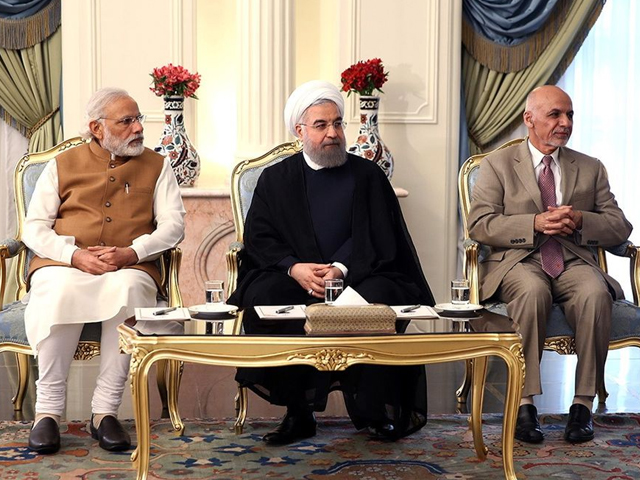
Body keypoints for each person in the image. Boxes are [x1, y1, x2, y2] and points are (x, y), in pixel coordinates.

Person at [227, 80, 435, 445]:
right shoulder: (276, 179)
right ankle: (298, 412)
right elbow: (259, 237)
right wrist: (295, 267)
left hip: (359, 272)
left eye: (337, 123)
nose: (332, 133)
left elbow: (380, 236)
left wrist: (340, 268)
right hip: (296, 276)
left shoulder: (367, 175)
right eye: (321, 125)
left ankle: (374, 411)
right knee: (266, 294)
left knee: (382, 295)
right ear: (300, 131)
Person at [22, 87, 186, 454]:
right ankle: (47, 413)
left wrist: (132, 252)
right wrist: (72, 256)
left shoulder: (158, 166)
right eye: (126, 121)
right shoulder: (62, 164)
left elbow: (174, 226)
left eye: (138, 118)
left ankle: (105, 413)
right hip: (65, 262)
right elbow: (33, 228)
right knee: (60, 291)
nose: (137, 128)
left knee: (129, 290)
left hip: (128, 264)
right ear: (97, 127)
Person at [467, 85, 632, 444]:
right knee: (531, 290)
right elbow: (479, 224)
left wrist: (581, 219)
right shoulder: (496, 165)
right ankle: (524, 404)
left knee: (593, 292)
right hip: (519, 261)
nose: (565, 122)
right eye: (555, 114)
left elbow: (620, 226)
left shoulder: (590, 167)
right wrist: (534, 224)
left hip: (573, 259)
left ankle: (582, 404)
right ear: (529, 119)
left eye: (569, 114)